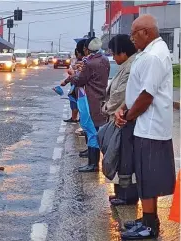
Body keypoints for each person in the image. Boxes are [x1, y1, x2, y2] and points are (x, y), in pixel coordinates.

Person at [115, 14, 176, 239]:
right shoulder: (147, 53)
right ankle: (147, 219)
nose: (131, 38)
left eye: (134, 34)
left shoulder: (155, 56)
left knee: (149, 176)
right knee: (143, 175)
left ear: (146, 32)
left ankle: (150, 227)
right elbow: (137, 89)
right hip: (144, 125)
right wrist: (123, 106)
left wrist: (128, 116)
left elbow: (147, 95)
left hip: (151, 126)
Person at [102, 34, 139, 206]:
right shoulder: (125, 65)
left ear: (123, 52)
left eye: (114, 53)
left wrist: (107, 107)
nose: (113, 57)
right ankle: (122, 193)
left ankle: (127, 196)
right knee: (118, 156)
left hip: (124, 119)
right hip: (118, 117)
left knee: (124, 158)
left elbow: (120, 95)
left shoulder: (131, 66)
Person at [76, 37, 110, 172]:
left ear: (87, 49)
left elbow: (80, 80)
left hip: (90, 100)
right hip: (100, 99)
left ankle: (93, 164)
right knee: (94, 130)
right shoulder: (104, 60)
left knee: (91, 131)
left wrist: (73, 74)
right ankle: (93, 161)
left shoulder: (89, 63)